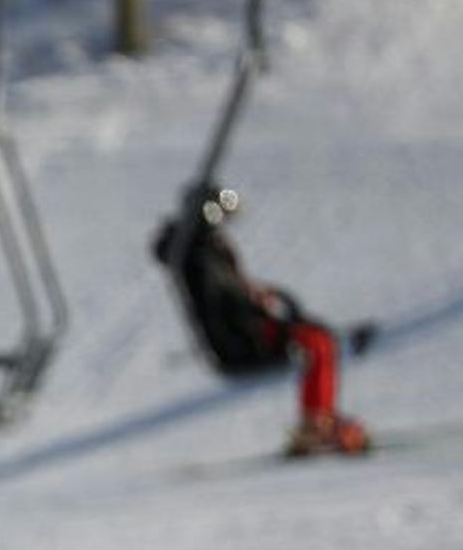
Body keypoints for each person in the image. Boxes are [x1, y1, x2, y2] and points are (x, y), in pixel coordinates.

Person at [153, 186, 370, 457]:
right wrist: (249, 300)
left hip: (248, 327)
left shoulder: (213, 247)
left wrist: (255, 294)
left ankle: (318, 419)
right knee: (316, 343)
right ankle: (315, 425)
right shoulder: (195, 254)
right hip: (241, 337)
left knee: (320, 338)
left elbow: (231, 286)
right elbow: (208, 282)